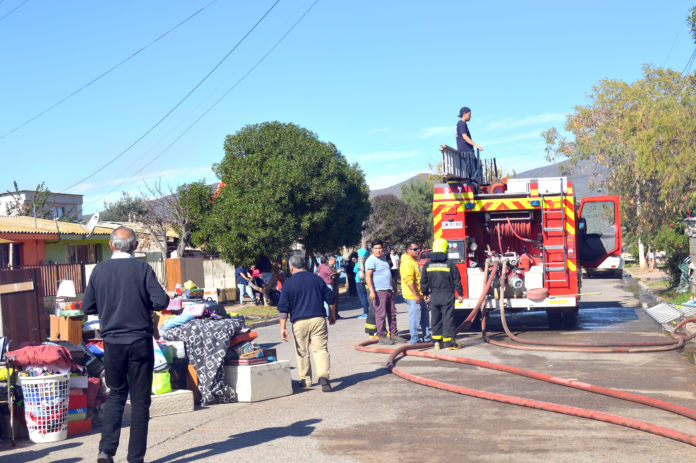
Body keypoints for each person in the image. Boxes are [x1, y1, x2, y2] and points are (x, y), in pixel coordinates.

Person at [82, 226, 169, 463]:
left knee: (117, 394)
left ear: (111, 245)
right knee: (141, 400)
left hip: (112, 343)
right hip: (140, 341)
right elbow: (161, 300)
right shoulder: (142, 268)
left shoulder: (99, 270)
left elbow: (87, 306)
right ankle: (135, 458)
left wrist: (108, 305)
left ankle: (106, 451)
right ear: (135, 246)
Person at [278, 255, 335, 392]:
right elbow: (331, 298)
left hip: (299, 322)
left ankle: (306, 380)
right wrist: (332, 316)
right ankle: (323, 376)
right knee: (320, 349)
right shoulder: (317, 279)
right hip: (318, 319)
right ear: (305, 265)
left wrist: (283, 328)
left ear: (291, 267)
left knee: (302, 352)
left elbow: (283, 308)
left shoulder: (288, 284)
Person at [420, 238, 463, 350]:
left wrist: (425, 293)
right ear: (446, 249)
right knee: (448, 318)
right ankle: (449, 343)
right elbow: (456, 280)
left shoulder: (427, 265)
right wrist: (460, 293)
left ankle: (437, 342)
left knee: (435, 318)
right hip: (447, 295)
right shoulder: (450, 264)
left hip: (434, 295)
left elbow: (423, 281)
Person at [365, 240, 400, 345]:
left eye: (379, 248)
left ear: (383, 249)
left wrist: (394, 286)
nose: (378, 250)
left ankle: (394, 334)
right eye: (375, 248)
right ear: (372, 249)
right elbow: (368, 276)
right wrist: (372, 291)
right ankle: (381, 336)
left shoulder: (385, 258)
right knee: (380, 314)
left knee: (392, 313)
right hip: (379, 290)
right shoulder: (371, 260)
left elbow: (388, 273)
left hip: (388, 289)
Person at [400, 242, 432, 345]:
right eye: (415, 249)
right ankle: (414, 339)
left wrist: (423, 294)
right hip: (412, 296)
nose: (417, 251)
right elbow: (409, 280)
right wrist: (415, 295)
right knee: (415, 318)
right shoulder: (407, 262)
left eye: (418, 249)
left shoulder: (413, 261)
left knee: (424, 317)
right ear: (408, 250)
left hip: (419, 294)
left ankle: (426, 337)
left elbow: (418, 279)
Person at [456, 106, 483, 182]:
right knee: (474, 171)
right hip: (466, 151)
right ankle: (474, 185)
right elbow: (465, 137)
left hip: (466, 151)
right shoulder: (461, 124)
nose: (470, 116)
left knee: (477, 167)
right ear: (464, 114)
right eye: (469, 114)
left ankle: (474, 184)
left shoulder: (462, 124)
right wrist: (476, 145)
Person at [354, 248, 370, 319]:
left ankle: (365, 313)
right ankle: (369, 311)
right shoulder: (368, 260)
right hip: (366, 280)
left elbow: (354, 270)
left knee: (362, 297)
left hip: (359, 280)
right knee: (367, 296)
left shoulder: (359, 262)